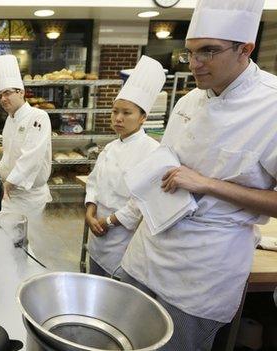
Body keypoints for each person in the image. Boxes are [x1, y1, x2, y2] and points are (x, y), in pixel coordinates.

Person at [118, 0, 277, 349]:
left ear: (245, 49)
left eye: (208, 51)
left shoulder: (272, 106)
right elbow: (167, 165)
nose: (195, 64)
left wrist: (207, 184)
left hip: (202, 271)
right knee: (120, 338)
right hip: (148, 250)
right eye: (190, 53)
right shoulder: (189, 101)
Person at [84, 56, 164, 277]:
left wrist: (108, 222)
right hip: (97, 233)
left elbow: (140, 202)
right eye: (114, 111)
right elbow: (93, 184)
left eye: (126, 113)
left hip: (122, 239)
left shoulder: (151, 151)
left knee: (115, 293)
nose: (118, 118)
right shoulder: (109, 147)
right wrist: (90, 215)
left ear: (143, 118)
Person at [0, 54, 52, 233]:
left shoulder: (38, 117)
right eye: (0, 95)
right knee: (9, 240)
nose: (3, 99)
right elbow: (11, 155)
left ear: (22, 92)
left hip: (29, 197)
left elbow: (30, 158)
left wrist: (7, 185)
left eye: (8, 93)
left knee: (24, 242)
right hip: (11, 193)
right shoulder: (10, 120)